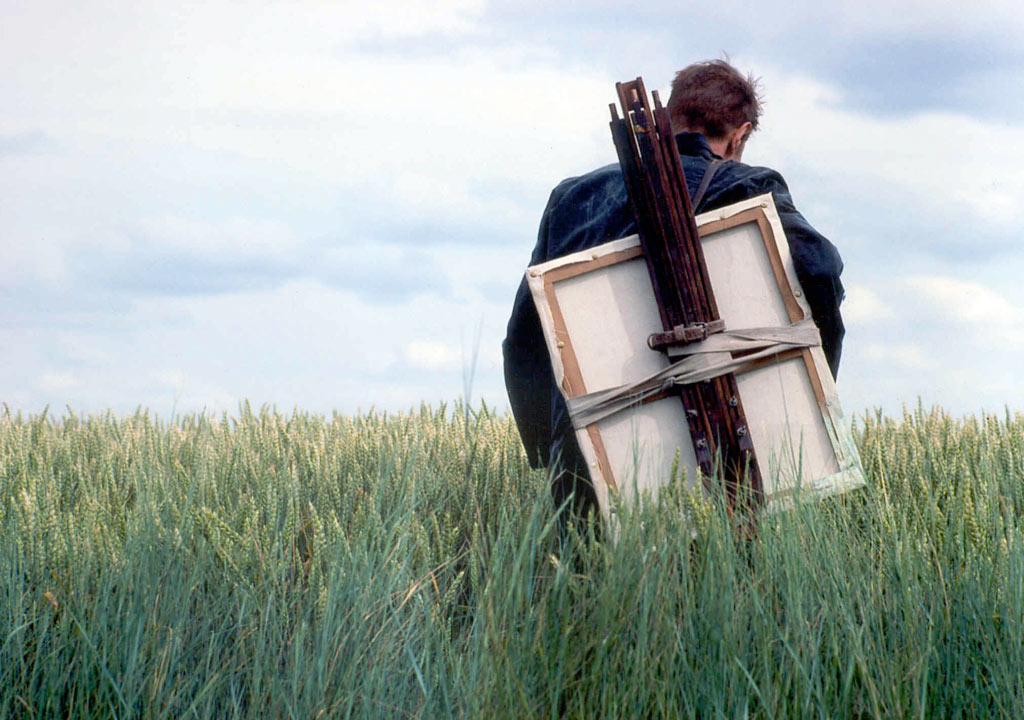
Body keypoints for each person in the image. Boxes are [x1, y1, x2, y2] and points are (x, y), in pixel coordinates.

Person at [502, 60, 845, 526]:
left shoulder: (573, 198)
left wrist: (553, 450)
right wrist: (811, 393)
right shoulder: (748, 186)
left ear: (671, 116)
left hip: (586, 469)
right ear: (740, 135)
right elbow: (820, 270)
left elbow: (523, 338)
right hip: (722, 459)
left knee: (588, 595)